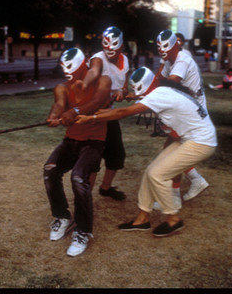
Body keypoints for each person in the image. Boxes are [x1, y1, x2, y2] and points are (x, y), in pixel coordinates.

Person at [76, 67, 217, 237]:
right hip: (192, 137)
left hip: (201, 141)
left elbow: (123, 112)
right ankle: (142, 218)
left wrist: (92, 118)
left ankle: (173, 219)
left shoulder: (159, 95)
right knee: (150, 171)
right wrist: (102, 112)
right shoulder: (162, 89)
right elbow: (134, 102)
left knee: (158, 174)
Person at [44, 47, 112, 257]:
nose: (67, 72)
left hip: (94, 141)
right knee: (50, 170)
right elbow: (58, 104)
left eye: (71, 67)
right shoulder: (62, 87)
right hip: (71, 140)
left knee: (78, 178)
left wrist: (74, 111)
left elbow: (98, 101)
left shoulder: (104, 80)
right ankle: (62, 217)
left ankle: (83, 230)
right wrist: (55, 116)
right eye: (64, 67)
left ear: (83, 65)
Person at [151, 30, 210, 209]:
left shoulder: (182, 60)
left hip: (190, 113)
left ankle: (175, 198)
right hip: (187, 110)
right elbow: (158, 78)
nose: (162, 50)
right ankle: (192, 182)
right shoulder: (171, 59)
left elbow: (171, 83)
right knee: (171, 149)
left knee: (173, 152)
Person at [77, 26, 130, 201]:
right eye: (106, 45)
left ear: (122, 46)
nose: (110, 50)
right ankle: (86, 199)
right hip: (93, 115)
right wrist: (85, 84)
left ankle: (105, 188)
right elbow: (93, 71)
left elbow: (124, 87)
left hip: (109, 114)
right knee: (94, 158)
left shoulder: (125, 61)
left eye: (114, 46)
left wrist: (122, 93)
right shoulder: (98, 59)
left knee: (116, 154)